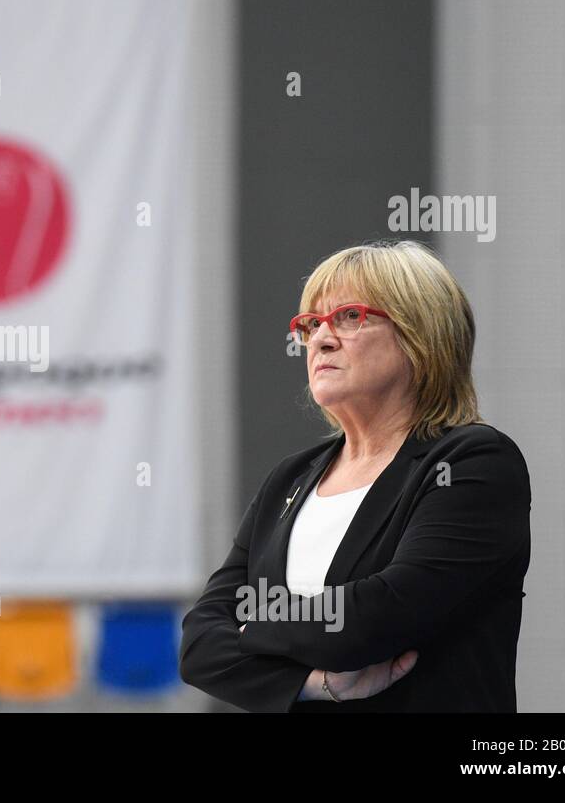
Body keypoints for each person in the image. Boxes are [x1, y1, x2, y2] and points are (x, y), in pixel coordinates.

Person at [179, 240, 531, 712]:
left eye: (348, 316)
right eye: (311, 324)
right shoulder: (290, 479)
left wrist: (251, 627)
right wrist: (316, 684)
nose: (320, 339)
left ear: (420, 334)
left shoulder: (474, 463)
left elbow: (379, 618)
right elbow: (199, 646)